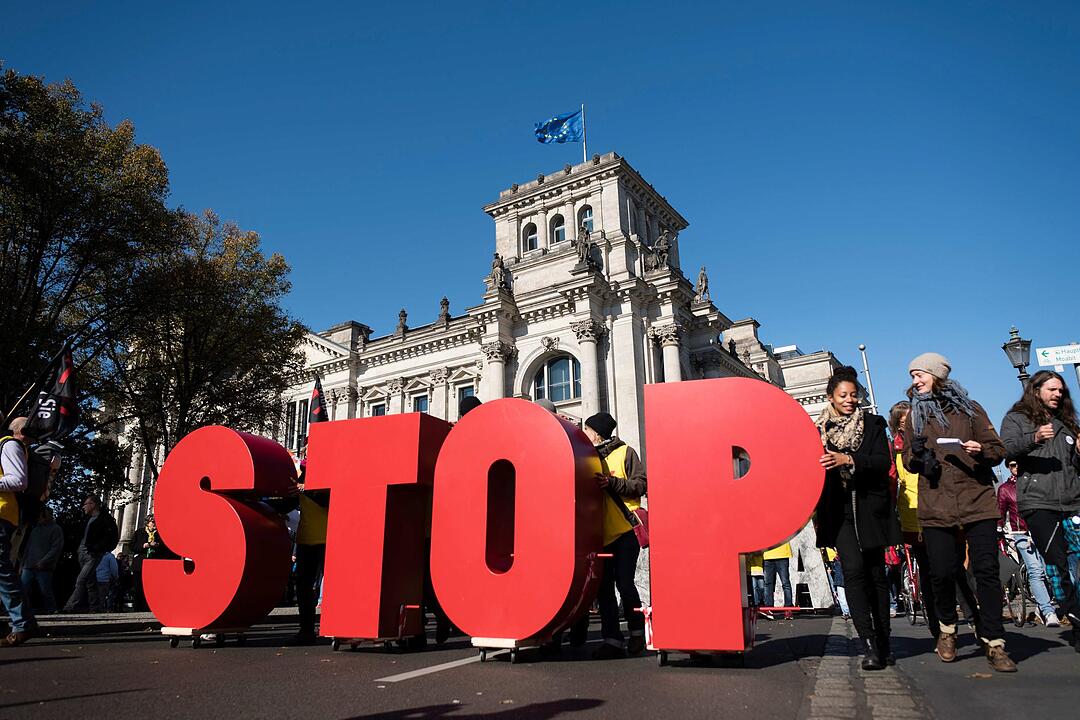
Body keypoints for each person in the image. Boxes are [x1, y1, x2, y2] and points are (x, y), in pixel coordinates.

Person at [903, 353, 1016, 672]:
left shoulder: (970, 408)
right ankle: (948, 629)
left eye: (919, 374)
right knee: (941, 571)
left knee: (986, 570)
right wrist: (919, 456)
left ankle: (994, 642)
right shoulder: (915, 415)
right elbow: (909, 457)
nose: (914, 381)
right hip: (936, 502)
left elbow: (997, 449)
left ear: (936, 375)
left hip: (975, 499)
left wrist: (981, 451)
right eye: (912, 376)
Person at [814, 366, 901, 670]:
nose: (850, 400)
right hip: (838, 513)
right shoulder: (819, 431)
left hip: (870, 510)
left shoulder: (874, 425)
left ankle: (885, 641)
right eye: (843, 395)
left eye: (853, 395)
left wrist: (848, 459)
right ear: (831, 398)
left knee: (876, 576)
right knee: (852, 573)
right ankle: (869, 645)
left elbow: (881, 463)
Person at [1000, 369, 1080, 652]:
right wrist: (1033, 437)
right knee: (1057, 561)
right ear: (1036, 391)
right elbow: (1005, 449)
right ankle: (1074, 615)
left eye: (1061, 390)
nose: (1058, 394)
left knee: (1078, 561)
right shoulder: (1017, 418)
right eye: (1052, 389)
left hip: (1073, 500)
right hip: (1038, 502)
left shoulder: (1068, 422)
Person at [888, 401, 980, 641]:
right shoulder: (896, 450)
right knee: (928, 573)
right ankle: (937, 627)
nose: (912, 424)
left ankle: (973, 617)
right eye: (906, 421)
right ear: (898, 425)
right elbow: (892, 483)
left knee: (954, 568)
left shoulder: (933, 437)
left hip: (944, 510)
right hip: (915, 517)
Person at [583, 412, 647, 659]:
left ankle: (637, 633)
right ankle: (612, 640)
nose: (585, 434)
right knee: (604, 588)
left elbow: (641, 484)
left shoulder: (626, 452)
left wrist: (612, 483)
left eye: (587, 430)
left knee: (625, 583)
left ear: (597, 432)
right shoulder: (586, 456)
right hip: (599, 533)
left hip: (624, 530)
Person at [997, 459, 1058, 626]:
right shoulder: (1005, 489)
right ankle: (1047, 610)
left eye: (1018, 464)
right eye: (1012, 465)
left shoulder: (1035, 481)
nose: (1015, 468)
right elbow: (1000, 512)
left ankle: (1041, 606)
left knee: (1049, 570)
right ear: (1008, 468)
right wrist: (999, 528)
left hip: (1041, 530)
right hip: (1021, 533)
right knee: (1035, 570)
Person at [0, 414, 39, 645]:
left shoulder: (10, 445)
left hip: (2, 513)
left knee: (2, 571)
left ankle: (23, 622)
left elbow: (18, 481)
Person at [62, 494, 119, 613]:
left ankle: (69, 606)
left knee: (81, 579)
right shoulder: (86, 519)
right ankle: (95, 607)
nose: (83, 507)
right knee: (90, 581)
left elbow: (112, 537)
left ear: (93, 505)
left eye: (86, 504)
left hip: (93, 553)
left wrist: (99, 548)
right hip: (82, 552)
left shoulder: (105, 520)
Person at [19, 506, 64, 613]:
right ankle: (20, 610)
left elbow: (56, 548)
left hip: (44, 566)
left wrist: (44, 561)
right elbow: (27, 548)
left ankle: (52, 609)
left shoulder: (56, 529)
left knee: (45, 590)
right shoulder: (35, 529)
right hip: (29, 565)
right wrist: (22, 565)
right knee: (23, 588)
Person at [130, 514, 175, 611]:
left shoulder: (161, 533)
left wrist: (158, 546)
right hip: (140, 565)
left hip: (155, 564)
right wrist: (145, 545)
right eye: (153, 522)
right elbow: (132, 546)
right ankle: (138, 607)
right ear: (147, 523)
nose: (155, 524)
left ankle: (150, 608)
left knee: (153, 589)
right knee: (139, 587)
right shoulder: (139, 532)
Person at [763, 542, 794, 619]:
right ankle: (768, 608)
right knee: (768, 583)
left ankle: (788, 609)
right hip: (768, 555)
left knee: (785, 583)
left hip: (782, 554)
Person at [823, 548, 850, 619]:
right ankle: (848, 611)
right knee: (845, 592)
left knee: (841, 592)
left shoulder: (837, 559)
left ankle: (846, 612)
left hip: (838, 566)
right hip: (843, 566)